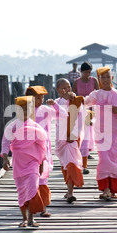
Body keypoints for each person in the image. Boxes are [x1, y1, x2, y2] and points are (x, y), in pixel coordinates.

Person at [83, 66, 117, 200]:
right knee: (104, 160)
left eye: (108, 77)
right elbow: (85, 102)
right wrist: (72, 98)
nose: (105, 80)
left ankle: (113, 191)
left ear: (112, 78)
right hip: (101, 133)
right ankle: (105, 189)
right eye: (103, 77)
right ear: (99, 79)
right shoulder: (97, 94)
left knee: (116, 161)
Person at [0, 96, 48, 227]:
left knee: (32, 188)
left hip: (32, 163)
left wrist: (42, 164)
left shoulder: (36, 127)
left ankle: (32, 218)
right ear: (17, 110)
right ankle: (24, 218)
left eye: (28, 109)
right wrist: (5, 159)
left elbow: (42, 147)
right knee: (22, 191)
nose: (25, 112)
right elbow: (5, 143)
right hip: (18, 163)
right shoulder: (13, 127)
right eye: (22, 109)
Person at [25, 85, 68, 216]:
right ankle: (31, 207)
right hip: (29, 150)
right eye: (38, 98)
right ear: (30, 98)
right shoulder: (25, 112)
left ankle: (43, 208)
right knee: (31, 178)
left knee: (42, 179)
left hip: (44, 149)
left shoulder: (45, 110)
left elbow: (64, 115)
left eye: (42, 97)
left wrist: (54, 104)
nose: (41, 100)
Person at [50, 78, 85, 203]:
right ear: (58, 90)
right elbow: (57, 112)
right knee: (64, 165)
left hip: (72, 138)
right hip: (61, 138)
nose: (67, 90)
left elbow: (81, 120)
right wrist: (65, 99)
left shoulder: (77, 101)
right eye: (63, 88)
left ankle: (70, 193)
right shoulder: (57, 102)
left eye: (69, 87)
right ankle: (68, 189)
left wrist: (74, 135)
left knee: (71, 163)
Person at [72, 61, 99, 174]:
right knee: (81, 133)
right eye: (85, 72)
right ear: (81, 72)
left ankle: (85, 155)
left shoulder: (94, 81)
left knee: (89, 132)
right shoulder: (76, 82)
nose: (87, 74)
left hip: (92, 109)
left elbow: (98, 94)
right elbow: (72, 97)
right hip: (80, 110)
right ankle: (81, 155)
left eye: (88, 72)